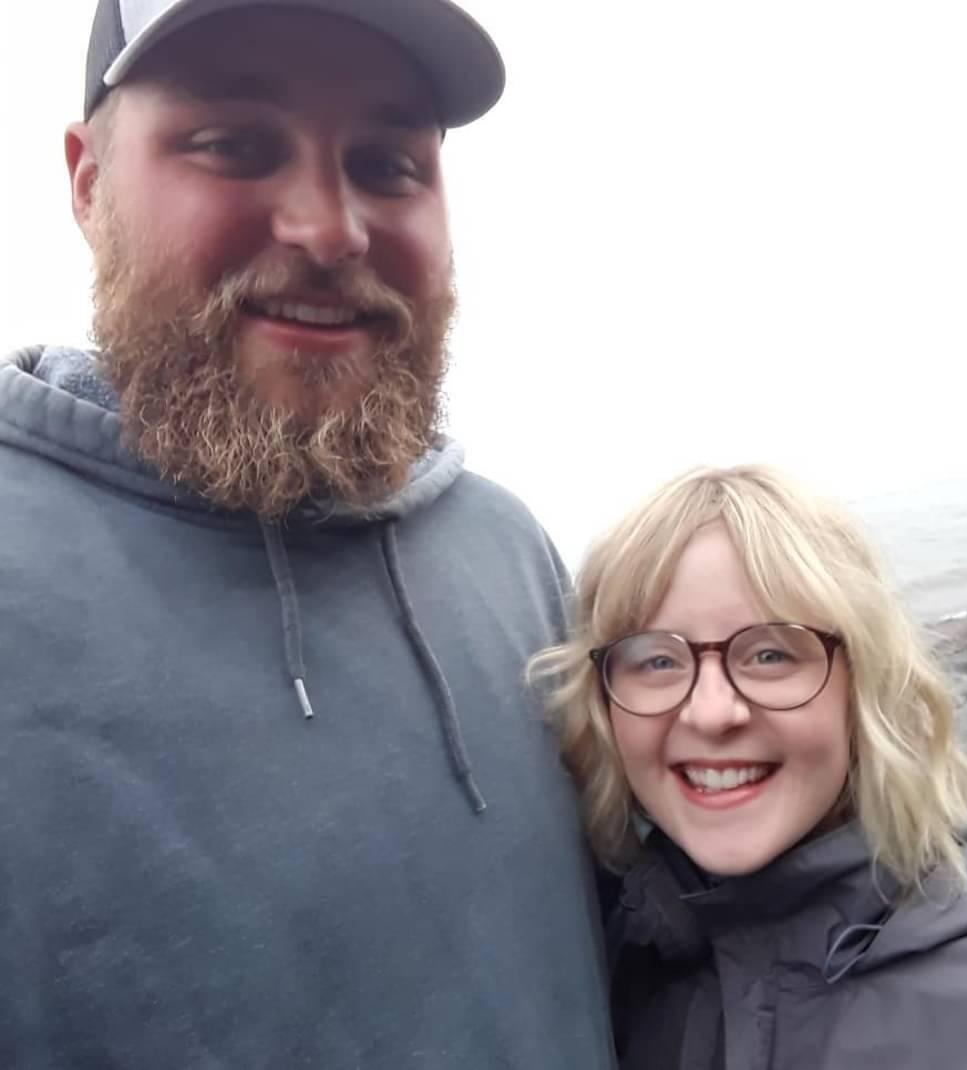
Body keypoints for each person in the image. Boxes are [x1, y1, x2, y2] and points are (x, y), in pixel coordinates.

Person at [0, 2, 616, 1066]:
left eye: (386, 162)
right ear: (87, 182)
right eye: (235, 144)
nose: (330, 229)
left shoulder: (509, 550)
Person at [532, 464, 967, 1070]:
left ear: (867, 680)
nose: (711, 713)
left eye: (769, 653)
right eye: (656, 661)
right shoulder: (616, 969)